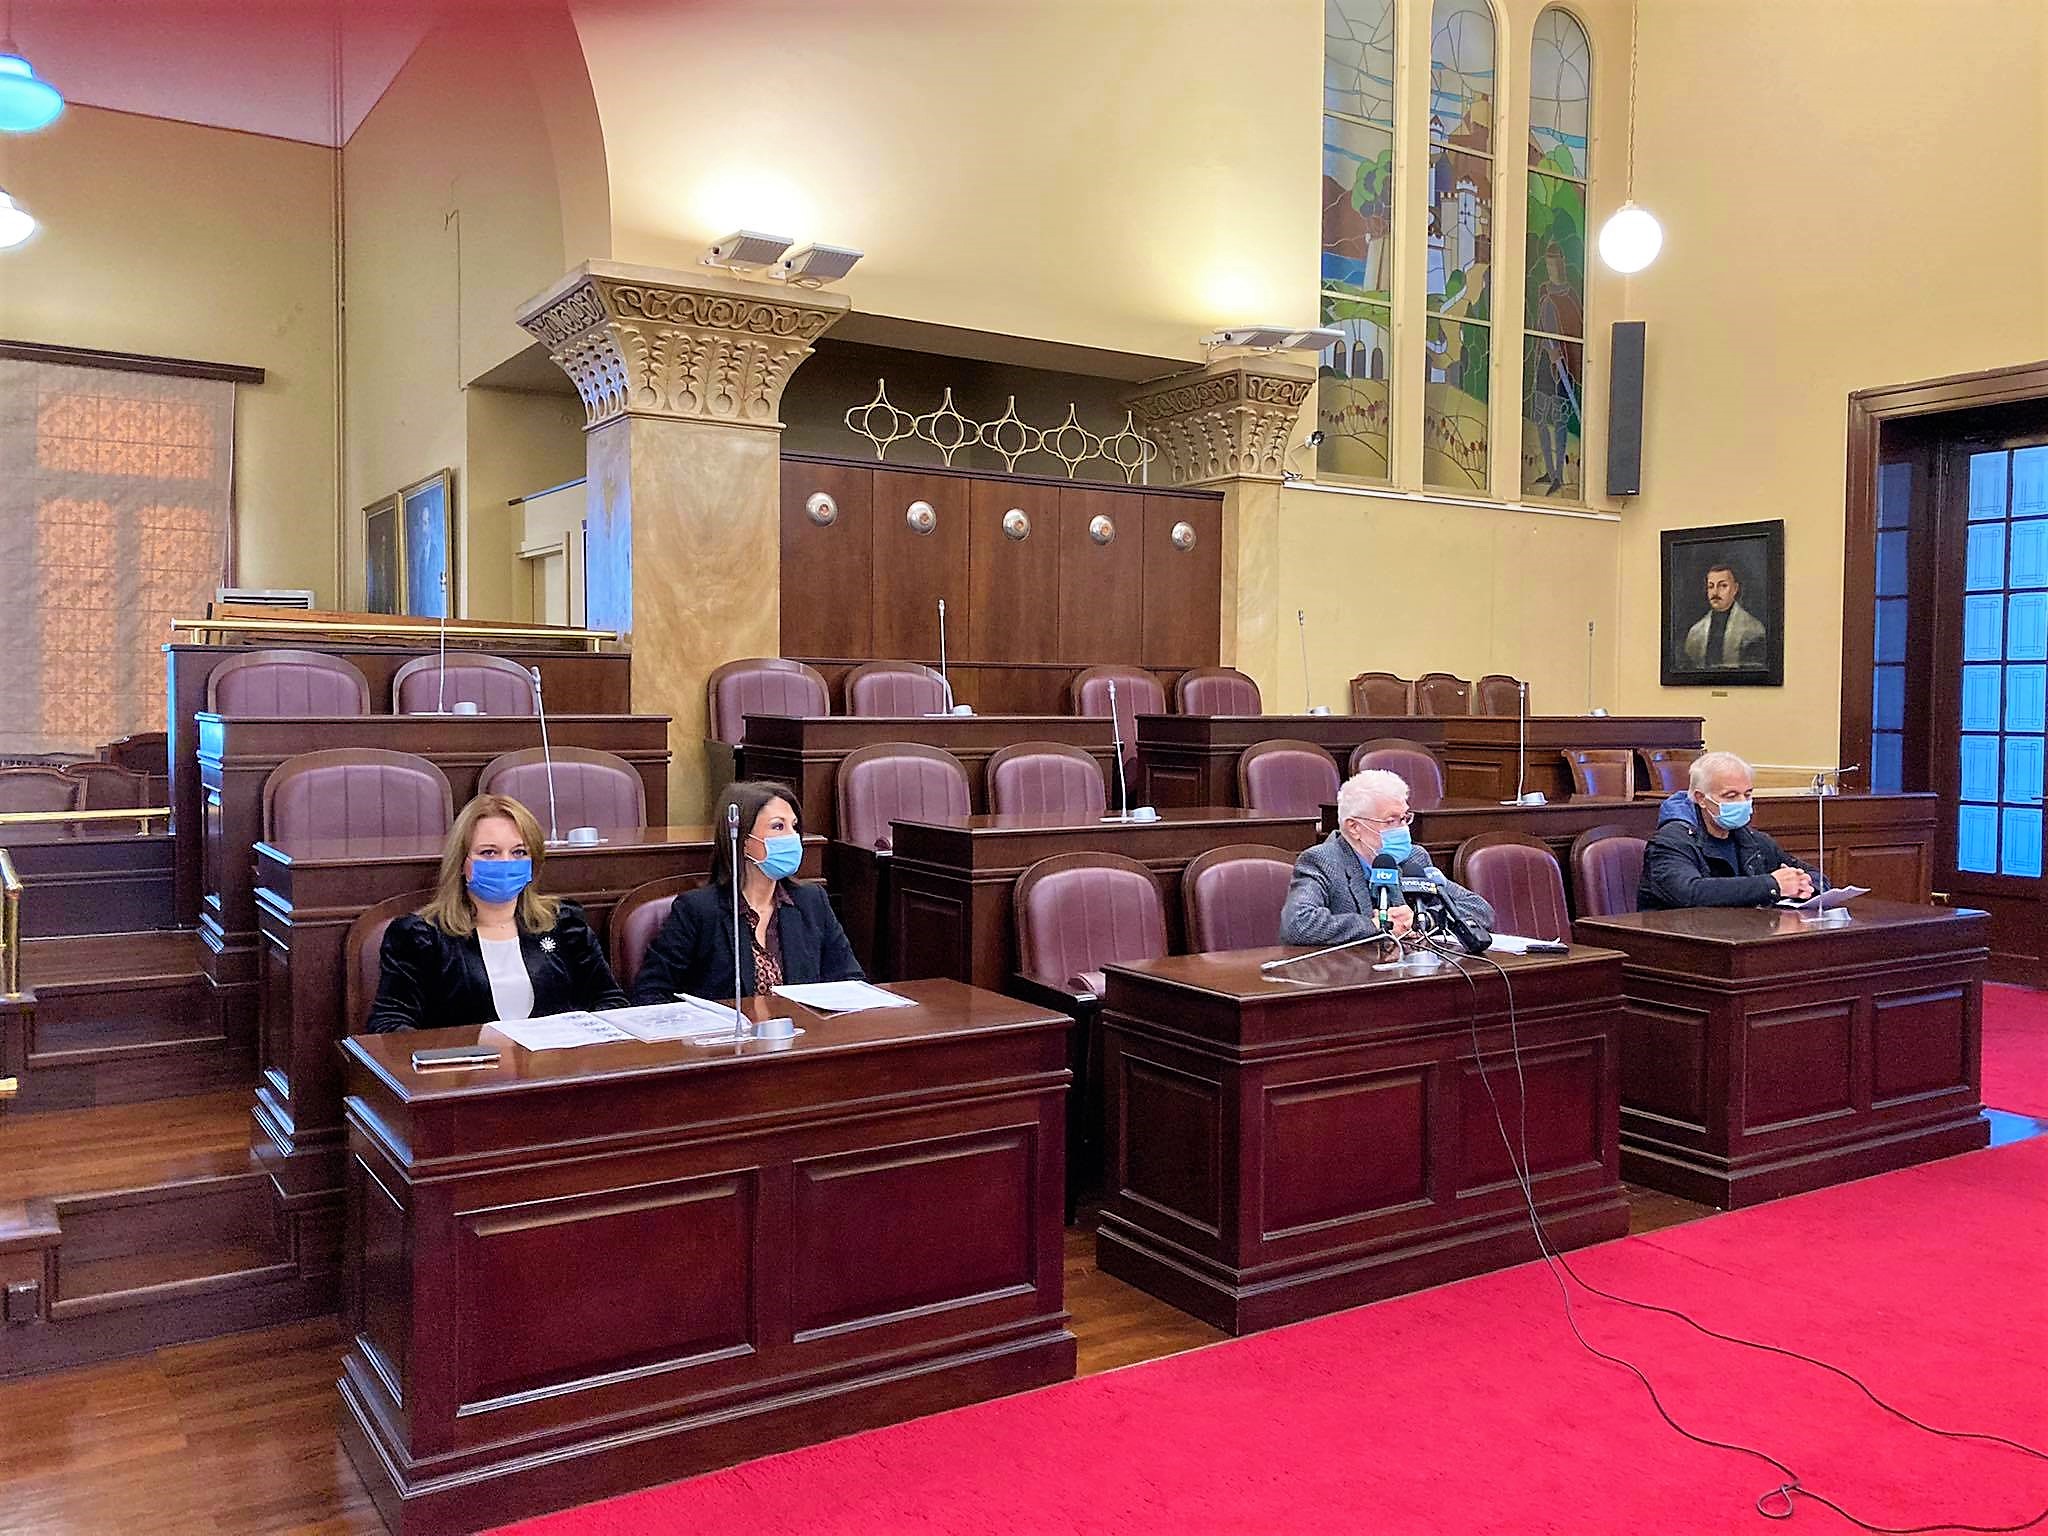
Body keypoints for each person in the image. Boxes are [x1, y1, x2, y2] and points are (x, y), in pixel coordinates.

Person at [363, 793, 627, 1033]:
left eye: (519, 852)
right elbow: (389, 1024)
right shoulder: (420, 937)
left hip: (555, 1066)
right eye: (489, 852)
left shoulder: (564, 924)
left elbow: (610, 1001)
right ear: (462, 862)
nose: (505, 863)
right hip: (465, 1069)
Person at [630, 780, 863, 1004]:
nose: (792, 837)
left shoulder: (812, 901)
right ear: (743, 841)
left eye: (794, 826)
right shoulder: (698, 910)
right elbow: (650, 993)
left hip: (802, 1030)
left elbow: (850, 980)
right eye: (778, 826)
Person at [1279, 768, 1494, 951]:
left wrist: (1425, 920)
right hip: (1351, 976)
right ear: (1354, 827)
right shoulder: (1322, 861)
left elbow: (1480, 909)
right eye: (1391, 821)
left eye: (1405, 818)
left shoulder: (1413, 858)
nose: (1403, 829)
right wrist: (1377, 926)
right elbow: (1298, 924)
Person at [1639, 750, 1822, 910]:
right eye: (1731, 796)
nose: (1742, 802)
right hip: (1679, 934)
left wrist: (1804, 885)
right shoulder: (1671, 841)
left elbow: (1817, 877)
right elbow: (1689, 892)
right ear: (1701, 798)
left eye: (1747, 794)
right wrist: (1772, 885)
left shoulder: (1753, 839)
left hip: (1740, 931)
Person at [1681, 561, 1768, 669]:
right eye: (1710, 586)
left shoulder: (1753, 629)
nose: (1715, 592)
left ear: (1735, 589)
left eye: (1723, 586)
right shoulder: (1696, 632)